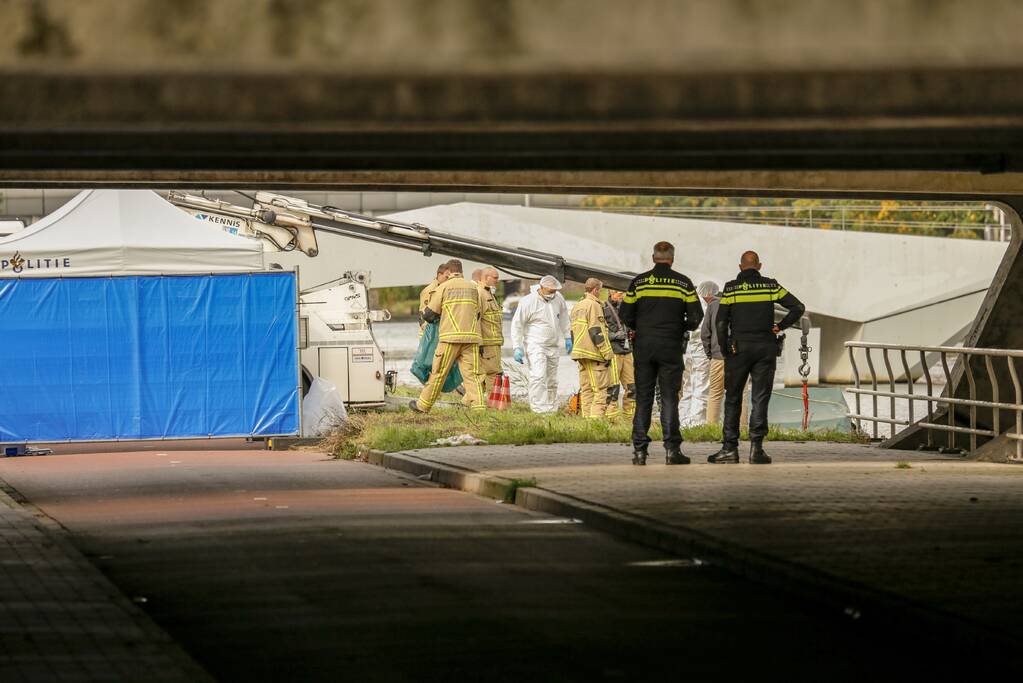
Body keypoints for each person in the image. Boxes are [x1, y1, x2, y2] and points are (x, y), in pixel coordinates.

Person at [710, 251, 805, 464]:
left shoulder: (731, 287)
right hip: (765, 348)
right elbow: (798, 307)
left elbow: (721, 321)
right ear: (759, 266)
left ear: (741, 266)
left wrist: (725, 350)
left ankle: (729, 449)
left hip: (738, 349)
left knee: (733, 398)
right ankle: (757, 450)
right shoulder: (770, 286)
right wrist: (779, 326)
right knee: (760, 398)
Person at [620, 241, 703, 466]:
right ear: (672, 259)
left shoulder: (639, 282)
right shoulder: (683, 283)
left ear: (653, 257)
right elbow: (696, 317)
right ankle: (672, 451)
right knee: (669, 399)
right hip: (670, 346)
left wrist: (642, 327)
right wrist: (680, 327)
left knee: (644, 398)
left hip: (644, 347)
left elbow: (625, 313)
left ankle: (639, 452)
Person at [410, 259, 486, 413]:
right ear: (461, 271)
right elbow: (478, 313)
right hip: (471, 338)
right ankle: (479, 409)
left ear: (449, 272)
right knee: (472, 375)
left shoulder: (444, 287)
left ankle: (422, 406)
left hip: (449, 338)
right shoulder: (474, 288)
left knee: (438, 373)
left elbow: (430, 315)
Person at [510, 275, 572, 414]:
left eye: (555, 291)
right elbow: (517, 325)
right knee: (538, 376)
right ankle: (538, 409)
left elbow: (563, 318)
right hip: (535, 344)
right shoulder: (528, 301)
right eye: (550, 291)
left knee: (552, 379)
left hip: (553, 345)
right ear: (541, 287)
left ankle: (551, 408)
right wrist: (517, 347)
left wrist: (568, 336)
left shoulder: (558, 298)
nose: (553, 293)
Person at [570, 278, 614, 418]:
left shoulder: (577, 306)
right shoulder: (594, 305)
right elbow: (597, 331)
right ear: (595, 290)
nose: (600, 293)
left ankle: (587, 424)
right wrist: (607, 354)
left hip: (580, 354)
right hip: (594, 354)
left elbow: (572, 332)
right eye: (599, 290)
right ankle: (596, 423)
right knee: (600, 391)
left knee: (586, 390)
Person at [679, 282, 715, 427]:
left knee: (687, 387)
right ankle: (697, 423)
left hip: (687, 351)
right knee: (702, 385)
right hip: (700, 350)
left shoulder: (686, 303)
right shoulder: (703, 307)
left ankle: (683, 421)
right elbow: (704, 331)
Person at [603, 289, 635, 419]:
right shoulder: (603, 308)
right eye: (617, 292)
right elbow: (600, 331)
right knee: (613, 388)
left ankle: (630, 419)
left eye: (623, 292)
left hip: (628, 352)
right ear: (610, 292)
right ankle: (611, 419)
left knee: (632, 388)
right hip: (614, 353)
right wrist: (615, 335)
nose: (621, 294)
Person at [700, 281, 725, 424]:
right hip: (739, 358)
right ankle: (742, 427)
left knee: (715, 393)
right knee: (741, 394)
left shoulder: (713, 306)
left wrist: (710, 354)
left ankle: (712, 427)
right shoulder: (738, 303)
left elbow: (705, 333)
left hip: (718, 356)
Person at [477, 267, 504, 398]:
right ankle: (494, 405)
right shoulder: (480, 294)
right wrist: (479, 343)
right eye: (495, 277)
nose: (498, 280)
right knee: (493, 373)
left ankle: (468, 402)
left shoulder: (489, 294)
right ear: (486, 277)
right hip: (487, 343)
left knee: (487, 374)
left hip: (494, 342)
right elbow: (476, 320)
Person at [419, 262, 451, 336]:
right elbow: (423, 313)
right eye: (446, 277)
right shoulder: (429, 290)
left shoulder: (443, 289)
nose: (448, 280)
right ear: (439, 275)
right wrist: (428, 334)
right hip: (428, 334)